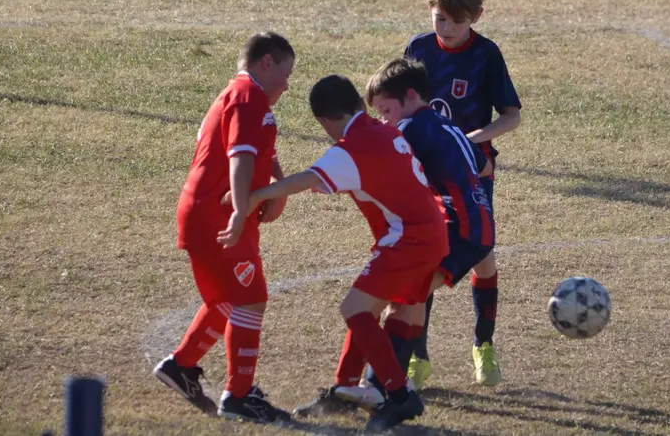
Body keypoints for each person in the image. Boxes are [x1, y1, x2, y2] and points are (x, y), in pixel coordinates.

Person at [225, 74, 447, 432]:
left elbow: (308, 178)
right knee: (385, 309)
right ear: (361, 104)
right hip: (432, 233)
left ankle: (400, 396)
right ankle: (346, 389)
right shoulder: (384, 131)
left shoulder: (351, 148)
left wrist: (254, 197)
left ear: (323, 121)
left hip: (409, 239)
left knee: (354, 309)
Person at [152, 32, 294, 423]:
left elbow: (260, 153)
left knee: (232, 297)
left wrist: (274, 190)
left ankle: (181, 367)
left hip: (216, 212)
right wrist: (240, 208)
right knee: (250, 298)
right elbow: (240, 158)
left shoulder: (245, 96)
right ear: (266, 62)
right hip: (217, 214)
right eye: (285, 72)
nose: (287, 83)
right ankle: (239, 396)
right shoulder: (249, 96)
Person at [403, 0, 522, 388]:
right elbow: (400, 103)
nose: (447, 28)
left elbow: (512, 116)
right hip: (425, 170)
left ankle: (483, 345)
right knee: (427, 256)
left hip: (474, 169)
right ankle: (417, 357)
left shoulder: (486, 55)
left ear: (477, 16)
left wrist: (471, 139)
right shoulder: (418, 48)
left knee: (481, 252)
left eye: (456, 20)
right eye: (440, 18)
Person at [362, 57, 495, 391]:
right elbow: (484, 168)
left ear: (409, 96)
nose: (384, 120)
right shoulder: (446, 124)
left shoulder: (409, 129)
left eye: (386, 111)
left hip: (458, 229)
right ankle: (403, 374)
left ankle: (382, 383)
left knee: (397, 295)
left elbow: (383, 172)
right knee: (412, 292)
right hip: (477, 223)